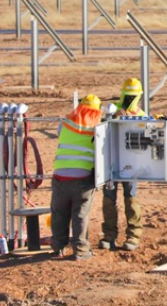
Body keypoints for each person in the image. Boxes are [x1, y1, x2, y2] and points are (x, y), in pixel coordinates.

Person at [50, 94, 103, 260]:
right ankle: (80, 250)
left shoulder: (64, 123)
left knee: (59, 213)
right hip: (82, 178)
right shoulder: (98, 129)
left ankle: (58, 247)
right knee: (79, 215)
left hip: (59, 176)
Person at [99, 78, 144, 251]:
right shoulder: (112, 111)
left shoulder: (141, 115)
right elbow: (101, 134)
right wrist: (113, 119)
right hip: (111, 163)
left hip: (131, 163)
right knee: (109, 199)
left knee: (130, 198)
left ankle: (133, 236)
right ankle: (109, 236)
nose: (131, 99)